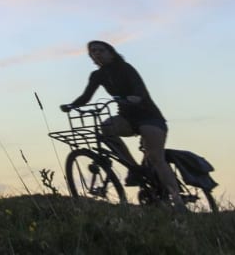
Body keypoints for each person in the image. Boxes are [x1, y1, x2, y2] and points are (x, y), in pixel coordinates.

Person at [60, 40, 181, 207]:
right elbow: (86, 96)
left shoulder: (125, 68)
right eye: (93, 51)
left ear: (111, 52)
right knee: (106, 128)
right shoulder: (98, 75)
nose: (97, 53)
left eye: (101, 50)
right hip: (125, 117)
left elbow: (140, 88)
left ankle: (178, 201)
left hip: (149, 117)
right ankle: (133, 167)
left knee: (156, 158)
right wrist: (72, 105)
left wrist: (136, 97)